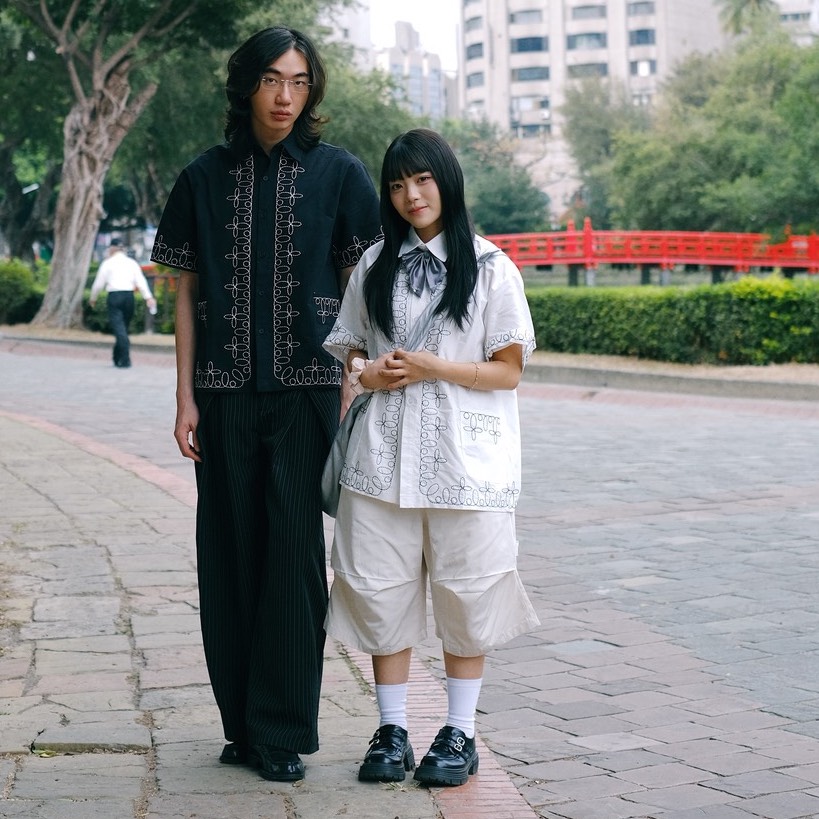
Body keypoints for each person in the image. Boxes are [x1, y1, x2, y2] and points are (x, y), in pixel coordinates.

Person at [149, 26, 381, 782]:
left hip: (308, 395)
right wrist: (184, 395)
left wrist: (350, 378)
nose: (286, 97)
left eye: (300, 82)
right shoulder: (202, 176)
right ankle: (242, 727)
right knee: (227, 555)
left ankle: (280, 730)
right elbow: (186, 292)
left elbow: (361, 289)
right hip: (222, 396)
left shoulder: (341, 174)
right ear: (245, 84)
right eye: (273, 80)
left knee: (291, 558)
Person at [323, 128, 540, 788]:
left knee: (467, 591)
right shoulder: (373, 264)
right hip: (381, 459)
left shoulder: (492, 267)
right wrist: (368, 373)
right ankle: (391, 729)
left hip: (464, 463)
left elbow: (508, 371)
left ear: (447, 180)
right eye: (397, 184)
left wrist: (433, 367)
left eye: (421, 179)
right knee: (378, 587)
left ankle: (459, 732)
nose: (411, 195)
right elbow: (351, 349)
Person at [89, 238, 157, 368]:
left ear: (112, 248)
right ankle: (117, 357)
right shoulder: (132, 263)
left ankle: (125, 359)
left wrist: (93, 298)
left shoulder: (107, 263)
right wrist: (148, 297)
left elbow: (98, 284)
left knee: (119, 329)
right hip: (129, 297)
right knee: (122, 328)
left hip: (114, 296)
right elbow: (141, 281)